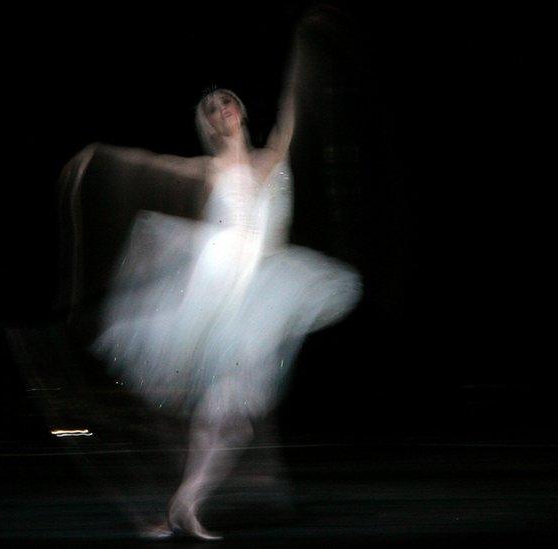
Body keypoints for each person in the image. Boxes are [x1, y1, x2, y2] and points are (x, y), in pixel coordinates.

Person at [88, 41, 361, 539]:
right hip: (219, 283)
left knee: (230, 418)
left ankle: (183, 508)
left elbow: (291, 111)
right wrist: (110, 157)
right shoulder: (210, 170)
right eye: (212, 110)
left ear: (239, 110)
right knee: (228, 417)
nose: (222, 111)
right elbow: (153, 164)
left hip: (259, 286)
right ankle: (183, 507)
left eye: (227, 103)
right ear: (208, 124)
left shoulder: (271, 157)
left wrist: (303, 57)